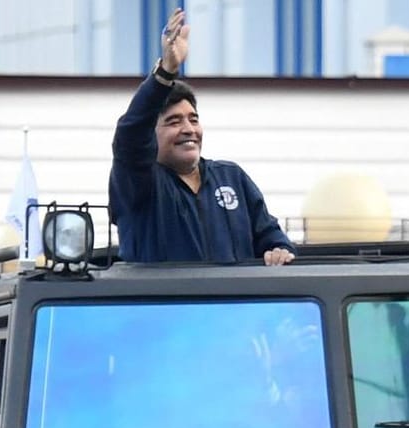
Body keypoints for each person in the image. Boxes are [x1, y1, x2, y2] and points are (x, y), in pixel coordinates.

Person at [109, 8, 294, 265]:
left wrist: (279, 249)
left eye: (193, 119)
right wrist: (166, 72)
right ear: (151, 136)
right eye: (174, 121)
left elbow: (269, 236)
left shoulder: (232, 177)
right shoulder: (139, 182)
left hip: (234, 304)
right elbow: (131, 133)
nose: (188, 129)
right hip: (162, 305)